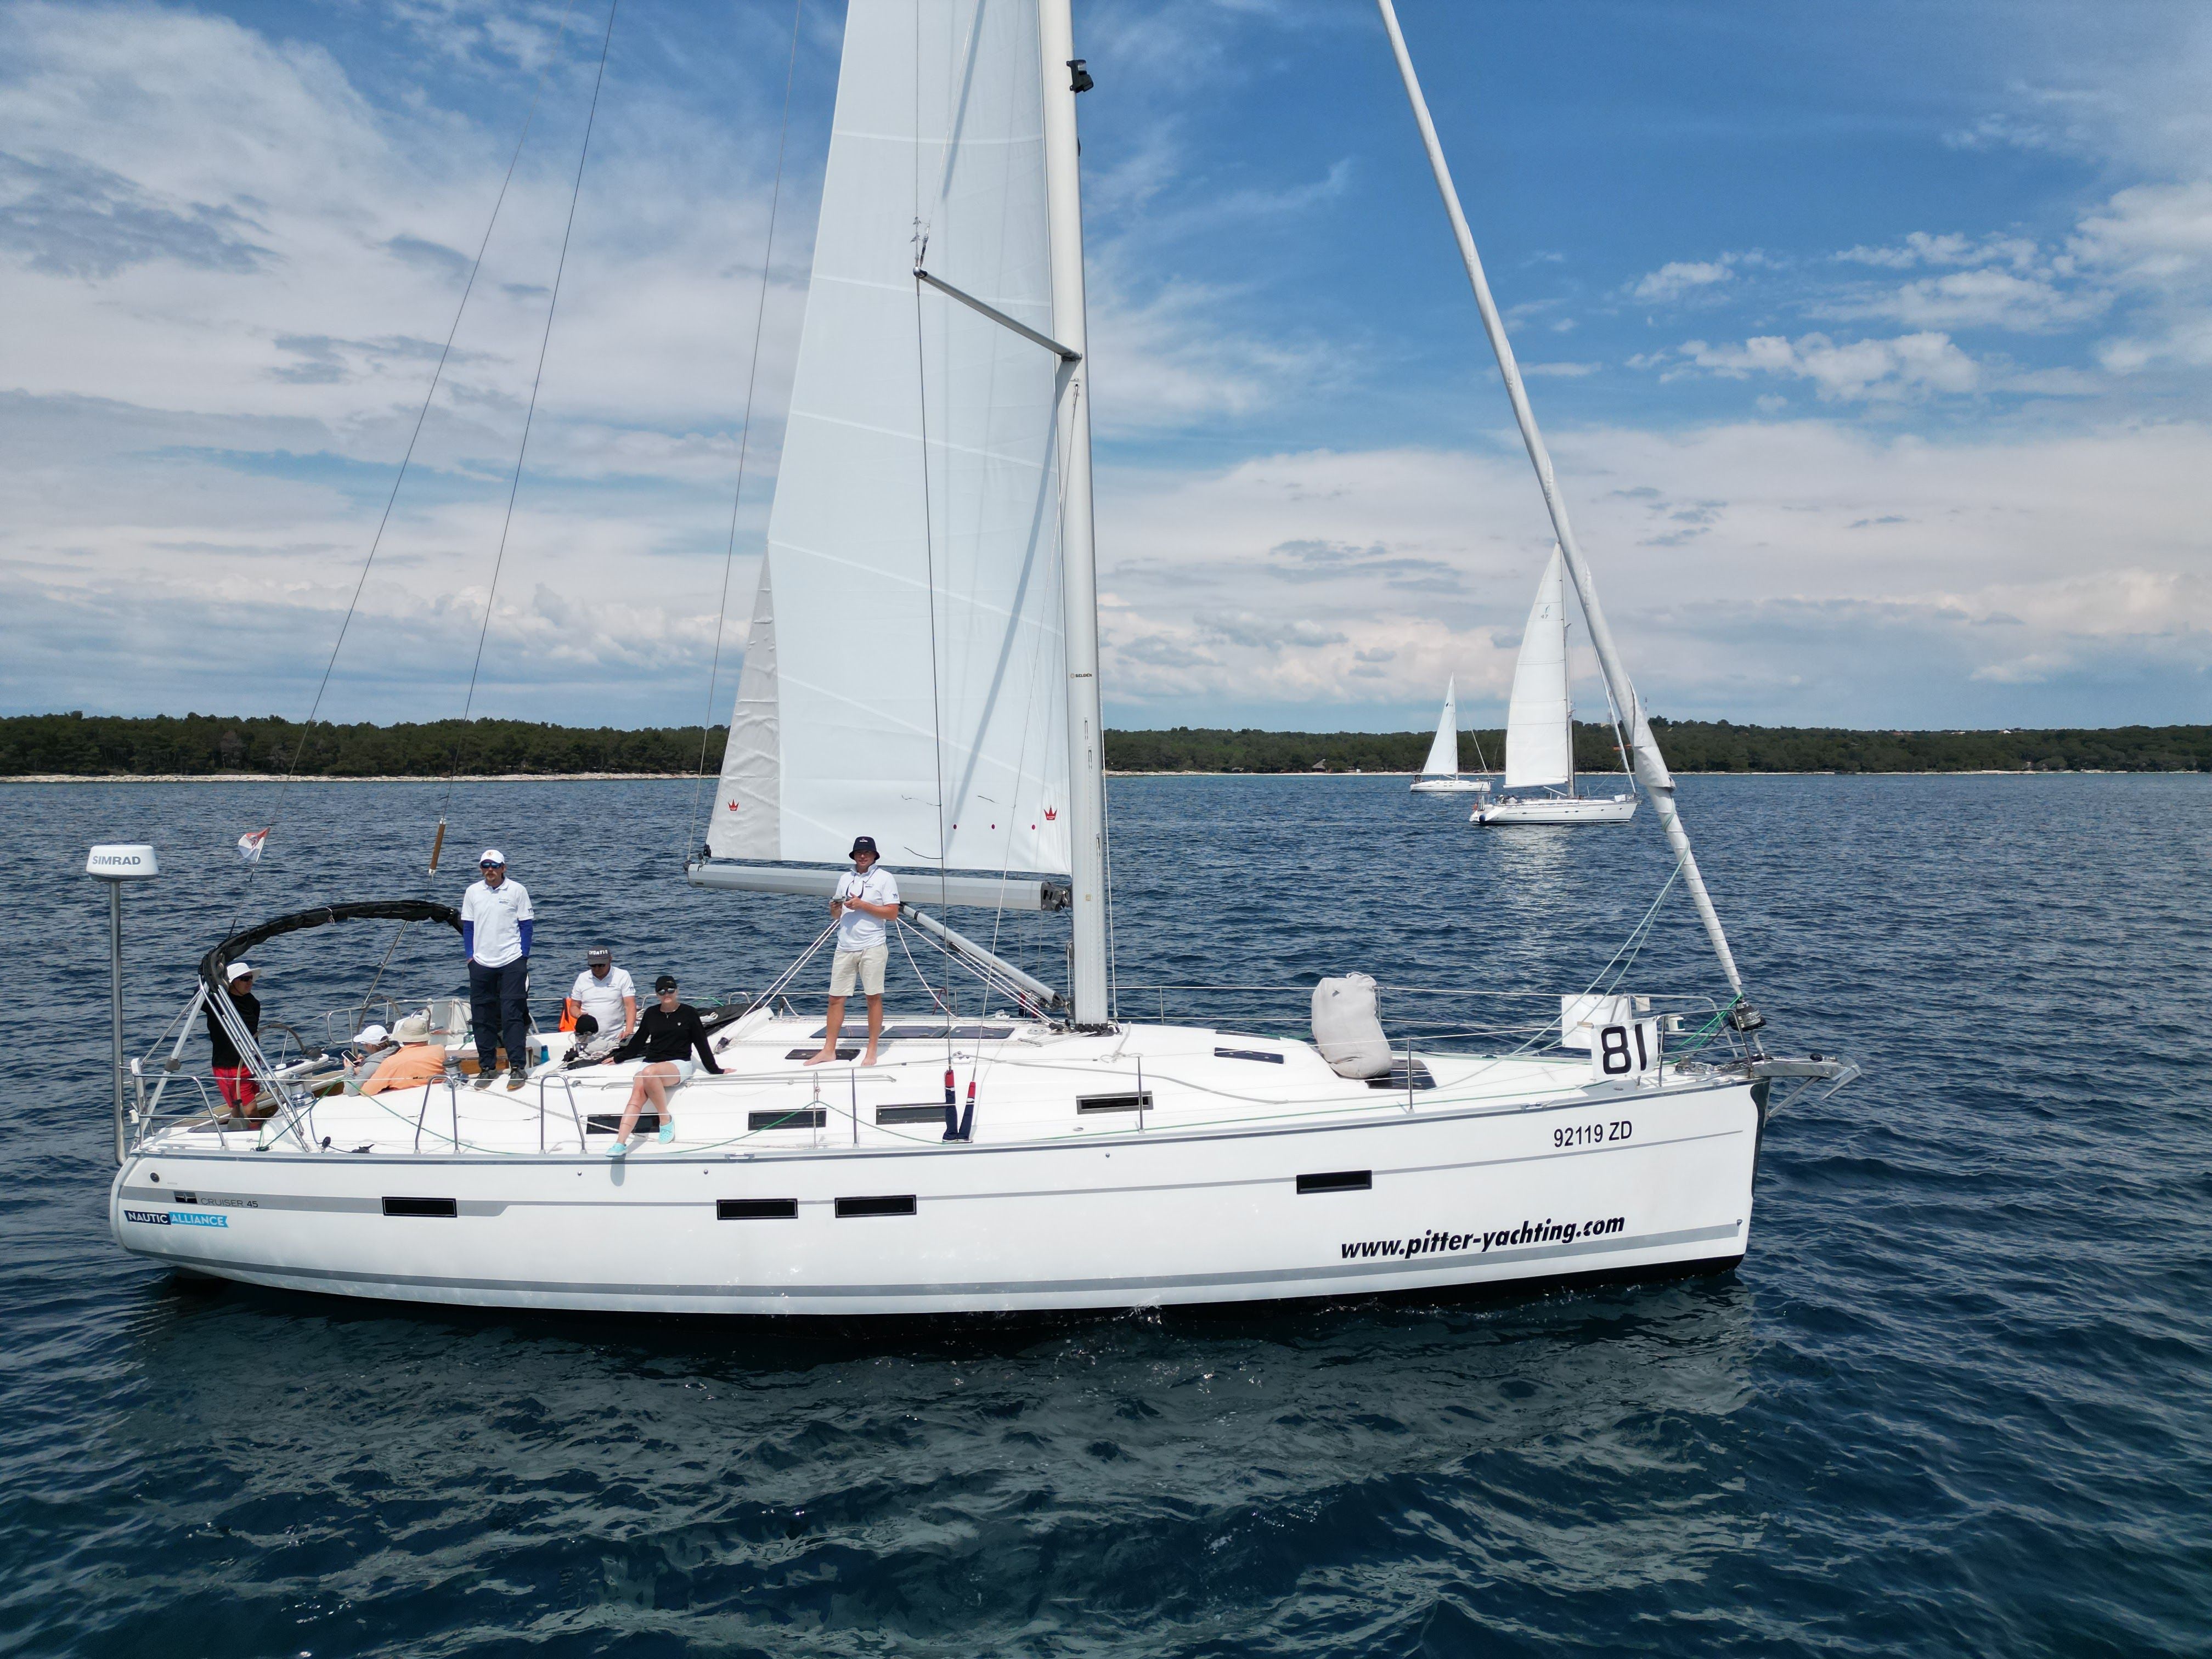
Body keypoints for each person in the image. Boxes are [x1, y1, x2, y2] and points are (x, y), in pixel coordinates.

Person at [602, 974, 723, 1155]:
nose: (667, 994)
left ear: (677, 991)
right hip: (652, 1061)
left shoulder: (689, 1013)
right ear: (657, 994)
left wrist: (715, 1070)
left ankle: (665, 1119)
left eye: (670, 990)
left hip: (679, 1063)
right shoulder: (651, 1014)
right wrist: (620, 1058)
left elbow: (701, 1043)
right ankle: (620, 1143)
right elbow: (639, 1040)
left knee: (649, 1073)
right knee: (637, 1093)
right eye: (662, 991)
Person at [806, 835, 899, 1067]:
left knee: (873, 998)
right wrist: (835, 909)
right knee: (835, 998)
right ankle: (829, 1050)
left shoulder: (885, 878)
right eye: (859, 852)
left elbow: (892, 913)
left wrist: (863, 905)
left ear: (875, 855)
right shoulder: (845, 878)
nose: (863, 856)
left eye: (867, 853)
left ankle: (872, 1050)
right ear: (854, 855)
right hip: (845, 946)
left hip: (873, 946)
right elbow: (837, 917)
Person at [460, 848, 534, 1092]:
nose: (490, 870)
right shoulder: (473, 892)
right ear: (481, 869)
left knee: (512, 1015)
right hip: (481, 963)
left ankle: (517, 1067)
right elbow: (468, 927)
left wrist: (523, 956)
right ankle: (487, 1067)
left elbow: (526, 925)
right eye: (485, 866)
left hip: (512, 960)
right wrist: (470, 957)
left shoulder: (517, 890)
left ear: (503, 868)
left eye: (494, 866)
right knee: (482, 1017)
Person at [206, 960, 265, 1122]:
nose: (250, 982)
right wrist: (212, 976)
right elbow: (200, 995)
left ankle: (235, 1129)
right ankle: (260, 1131)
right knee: (249, 1109)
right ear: (232, 982)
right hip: (230, 1066)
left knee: (240, 1106)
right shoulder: (216, 1002)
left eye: (250, 978)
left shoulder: (253, 1003)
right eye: (245, 979)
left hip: (251, 1061)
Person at [565, 947, 636, 1043]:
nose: (597, 969)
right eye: (593, 965)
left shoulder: (622, 976)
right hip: (587, 1038)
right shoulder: (582, 978)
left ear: (610, 959)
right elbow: (574, 1006)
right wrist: (580, 1015)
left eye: (601, 965)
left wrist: (629, 1030)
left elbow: (630, 1005)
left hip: (616, 1037)